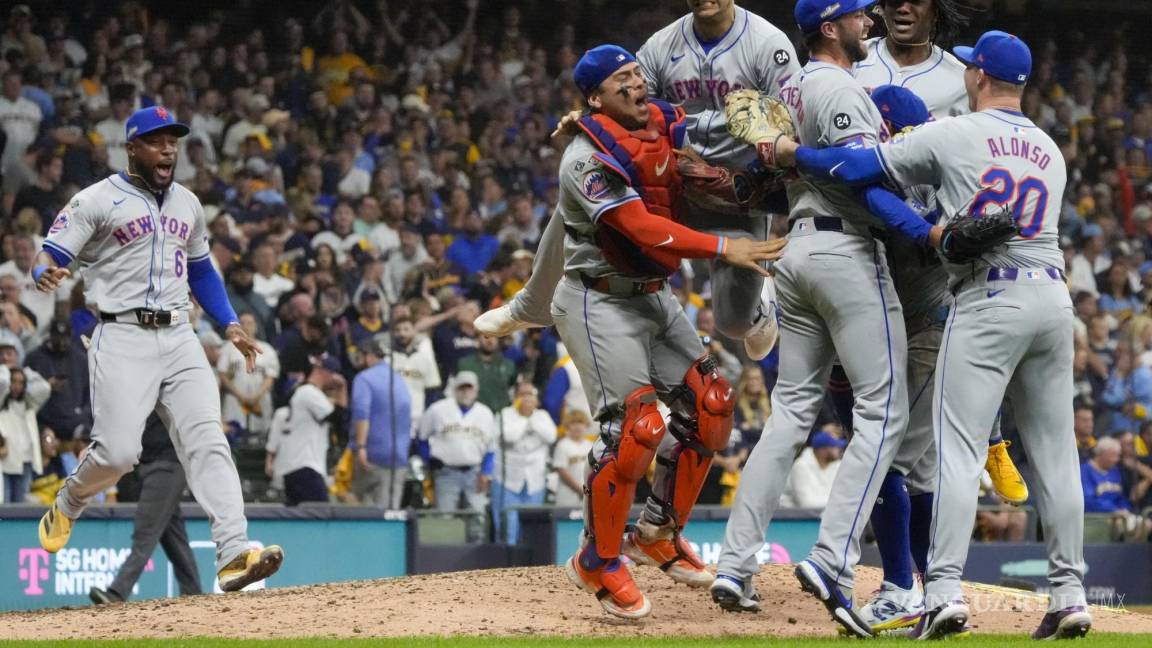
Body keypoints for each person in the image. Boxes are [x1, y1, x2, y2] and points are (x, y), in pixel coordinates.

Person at [766, 28, 1091, 641]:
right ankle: (1070, 594)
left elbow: (858, 164)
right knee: (1056, 454)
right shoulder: (1051, 147)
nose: (965, 72)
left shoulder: (955, 131)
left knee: (960, 453)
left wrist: (792, 154)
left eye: (970, 68)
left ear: (978, 77)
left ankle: (941, 591)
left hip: (988, 296)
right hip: (1052, 296)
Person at [548, 45, 783, 620]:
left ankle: (657, 533)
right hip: (596, 300)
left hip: (652, 295)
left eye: (636, 74)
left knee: (713, 404)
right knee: (637, 427)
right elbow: (641, 226)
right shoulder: (583, 158)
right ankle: (598, 561)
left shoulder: (660, 125)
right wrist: (730, 245)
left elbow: (718, 123)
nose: (634, 85)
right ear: (594, 98)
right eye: (618, 80)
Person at [32, 105, 283, 592]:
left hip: (179, 334)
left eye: (173, 140)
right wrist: (46, 270)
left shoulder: (188, 202)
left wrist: (229, 323)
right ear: (132, 147)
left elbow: (203, 270)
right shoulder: (97, 199)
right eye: (156, 140)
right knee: (118, 454)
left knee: (207, 437)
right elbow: (53, 252)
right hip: (121, 333)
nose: (168, 148)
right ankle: (68, 501)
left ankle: (233, 553)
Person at [476, 0, 801, 361]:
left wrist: (753, 181)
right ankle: (533, 304)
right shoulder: (661, 46)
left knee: (733, 324)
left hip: (738, 196)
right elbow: (626, 105)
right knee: (582, 181)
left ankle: (761, 310)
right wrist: (591, 119)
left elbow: (794, 126)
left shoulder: (769, 45)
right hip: (670, 179)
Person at [89, 414, 202, 604]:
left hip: (167, 464)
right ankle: (194, 594)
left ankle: (117, 593)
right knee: (173, 536)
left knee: (145, 531)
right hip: (152, 463)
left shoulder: (164, 387)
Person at [417, 371, 497, 543]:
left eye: (469, 388)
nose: (465, 392)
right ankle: (447, 560)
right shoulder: (438, 409)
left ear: (476, 390)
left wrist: (486, 473)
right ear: (455, 389)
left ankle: (478, 561)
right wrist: (428, 460)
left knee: (477, 516)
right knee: (446, 517)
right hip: (446, 472)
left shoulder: (485, 413)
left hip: (474, 472)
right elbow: (422, 438)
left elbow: (491, 449)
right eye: (462, 388)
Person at [266, 355, 347, 506]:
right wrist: (342, 389)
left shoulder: (307, 392)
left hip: (298, 467)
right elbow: (338, 417)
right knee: (320, 516)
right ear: (327, 373)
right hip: (303, 467)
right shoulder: (309, 392)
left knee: (301, 520)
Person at [350, 339, 412, 509]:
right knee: (391, 514)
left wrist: (361, 446)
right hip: (398, 458)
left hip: (372, 456)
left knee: (362, 512)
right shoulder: (398, 378)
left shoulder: (364, 378)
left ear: (369, 357)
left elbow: (361, 412)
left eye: (359, 357)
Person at [492, 382, 556, 543]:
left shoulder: (542, 416)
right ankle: (506, 564)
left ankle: (529, 566)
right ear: (515, 398)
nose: (527, 398)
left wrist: (531, 419)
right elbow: (508, 437)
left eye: (531, 394)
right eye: (523, 394)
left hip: (535, 480)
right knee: (508, 528)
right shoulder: (505, 414)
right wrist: (525, 419)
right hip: (508, 481)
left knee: (530, 528)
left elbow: (551, 436)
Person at [0, 346, 50, 502]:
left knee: (21, 507)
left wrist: (23, 369)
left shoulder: (29, 405)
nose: (16, 385)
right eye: (13, 381)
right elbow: (2, 381)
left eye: (21, 382)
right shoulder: (1, 402)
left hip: (26, 460)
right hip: (6, 461)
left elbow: (44, 387)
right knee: (4, 506)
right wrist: (6, 368)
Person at [217, 312, 280, 435]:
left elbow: (270, 377)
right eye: (242, 323)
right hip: (235, 399)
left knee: (259, 436)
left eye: (250, 323)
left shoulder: (267, 349)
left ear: (256, 326)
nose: (246, 326)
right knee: (234, 434)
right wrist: (241, 396)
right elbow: (222, 375)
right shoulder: (228, 348)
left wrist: (256, 396)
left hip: (260, 400)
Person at [779, 428, 847, 509]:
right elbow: (806, 504)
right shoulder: (801, 466)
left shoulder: (837, 465)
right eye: (834, 446)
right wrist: (838, 505)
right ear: (822, 450)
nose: (839, 449)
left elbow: (843, 497)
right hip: (790, 518)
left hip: (823, 515)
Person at [457, 334, 516, 413]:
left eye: (494, 336)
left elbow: (513, 389)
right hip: (472, 414)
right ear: (477, 338)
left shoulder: (509, 365)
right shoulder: (464, 364)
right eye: (485, 336)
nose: (490, 340)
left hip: (500, 415)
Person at [550, 409, 594, 508]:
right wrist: (581, 490)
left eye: (580, 422)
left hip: (589, 495)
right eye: (573, 423)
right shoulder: (562, 445)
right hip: (567, 496)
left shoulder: (591, 446)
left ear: (586, 425)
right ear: (567, 426)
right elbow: (562, 471)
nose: (577, 426)